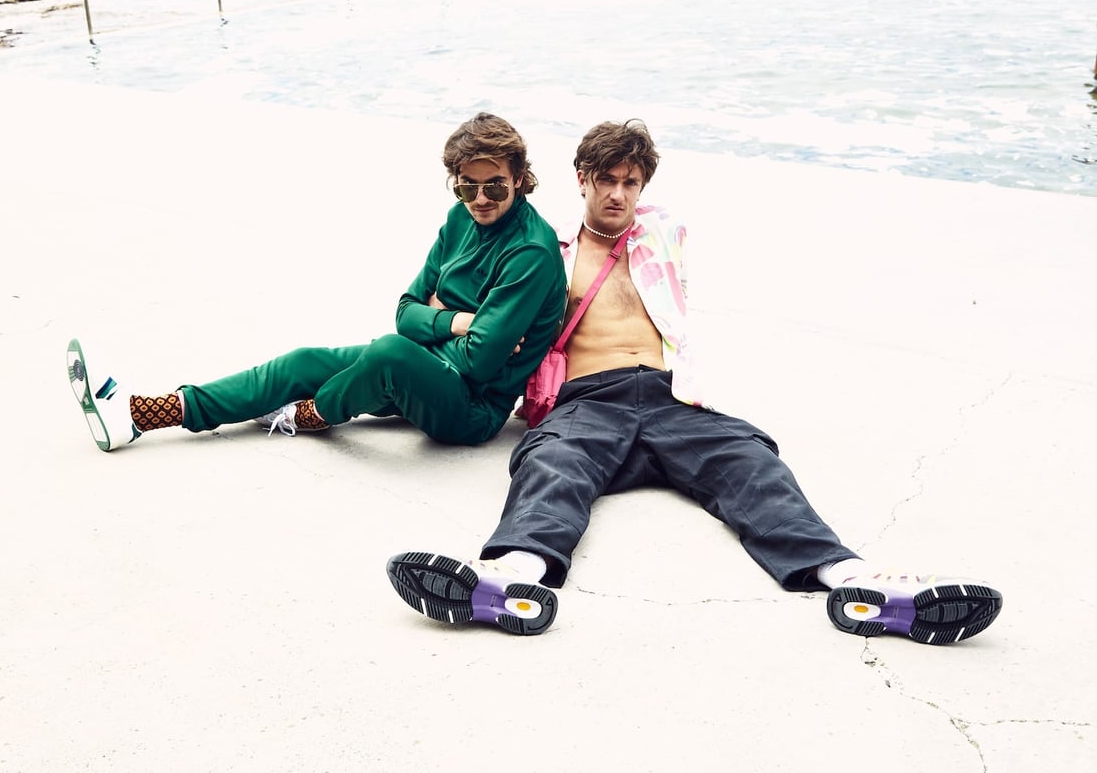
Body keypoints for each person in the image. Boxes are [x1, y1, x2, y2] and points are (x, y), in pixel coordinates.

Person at [386, 119, 1003, 643]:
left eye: (631, 182)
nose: (619, 193)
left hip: (669, 397)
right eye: (606, 179)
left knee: (750, 462)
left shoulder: (660, 234)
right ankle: (509, 576)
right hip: (588, 399)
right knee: (553, 464)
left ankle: (854, 583)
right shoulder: (549, 251)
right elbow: (489, 309)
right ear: (581, 179)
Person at [66, 112, 566, 451]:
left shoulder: (529, 251)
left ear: (519, 176)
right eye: (467, 185)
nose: (480, 198)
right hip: (426, 369)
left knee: (390, 354)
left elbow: (478, 362)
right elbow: (405, 309)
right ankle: (141, 414)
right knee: (307, 359)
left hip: (469, 408)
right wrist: (459, 320)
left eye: (495, 183)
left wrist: (432, 332)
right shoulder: (459, 219)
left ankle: (311, 414)